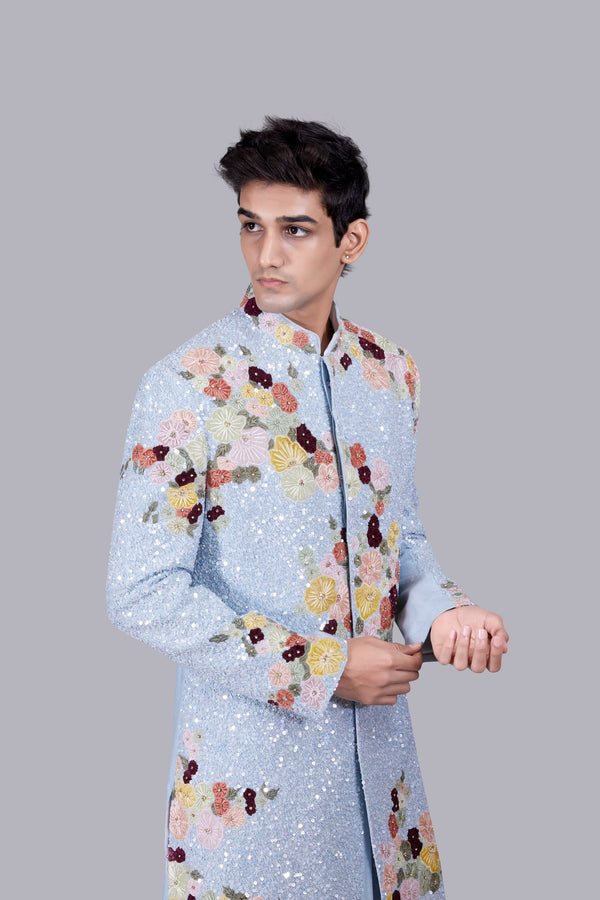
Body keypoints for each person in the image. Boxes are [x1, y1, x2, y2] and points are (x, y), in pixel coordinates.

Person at [107, 117, 508, 900]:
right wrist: (324, 668)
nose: (266, 254)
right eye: (250, 226)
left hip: (384, 788)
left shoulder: (389, 373)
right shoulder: (187, 383)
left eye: (294, 229)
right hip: (251, 793)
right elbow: (141, 591)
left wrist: (445, 615)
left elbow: (401, 538)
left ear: (351, 240)